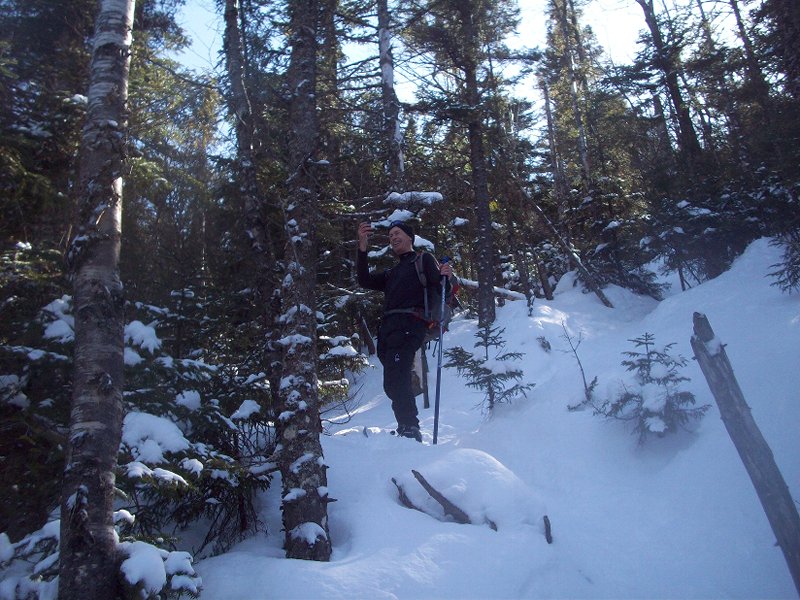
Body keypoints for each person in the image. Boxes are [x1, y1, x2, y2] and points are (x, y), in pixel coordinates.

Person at [357, 220, 452, 442]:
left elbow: (439, 286)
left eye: (398, 233)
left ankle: (410, 428)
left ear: (410, 237)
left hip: (410, 326)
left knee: (398, 378)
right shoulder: (392, 273)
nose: (393, 238)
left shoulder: (423, 259)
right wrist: (362, 246)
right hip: (388, 331)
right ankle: (405, 427)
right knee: (391, 382)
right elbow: (364, 280)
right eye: (390, 236)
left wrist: (445, 275)